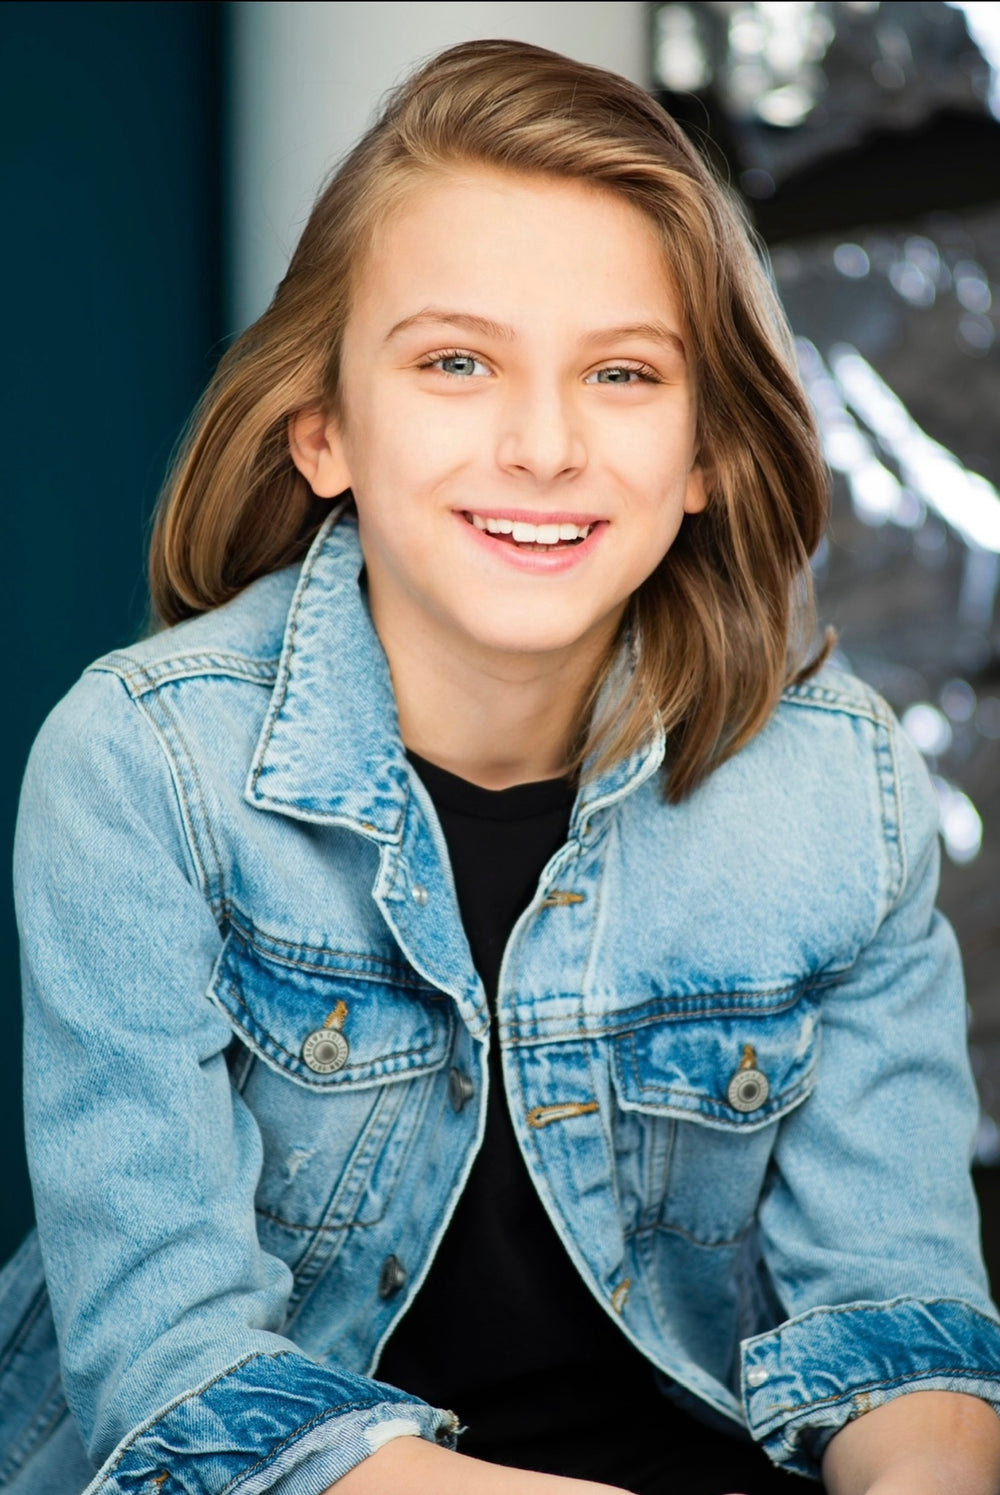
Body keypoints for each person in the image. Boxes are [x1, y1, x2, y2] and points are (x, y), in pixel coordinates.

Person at [2, 36, 999, 1495]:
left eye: (621, 371)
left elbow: (901, 1334)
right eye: (456, 363)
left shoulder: (837, 788)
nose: (543, 444)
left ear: (708, 450)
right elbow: (182, 1390)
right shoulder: (142, 767)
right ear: (324, 427)